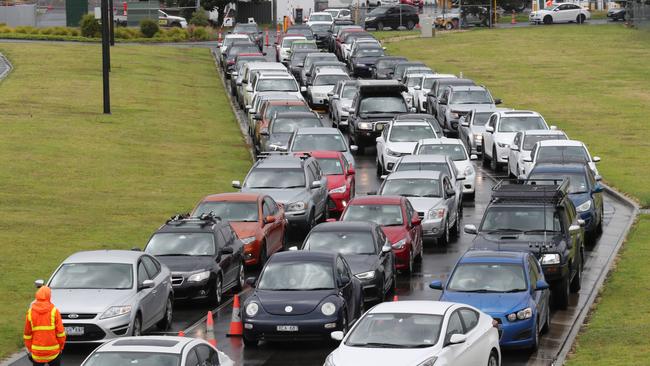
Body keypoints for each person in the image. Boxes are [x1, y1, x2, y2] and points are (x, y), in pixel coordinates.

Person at [23, 286, 66, 366]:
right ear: (49, 296)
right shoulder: (54, 311)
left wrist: (30, 349)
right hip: (53, 353)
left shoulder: (30, 312)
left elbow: (27, 335)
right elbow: (60, 333)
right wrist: (61, 347)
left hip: (37, 353)